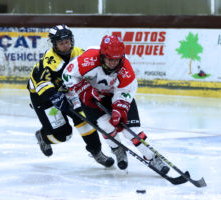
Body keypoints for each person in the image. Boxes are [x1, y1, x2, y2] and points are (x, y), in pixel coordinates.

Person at [62, 35, 170, 175]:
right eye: (110, 59)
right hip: (92, 98)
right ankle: (118, 149)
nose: (113, 63)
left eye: (117, 59)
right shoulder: (87, 59)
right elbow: (67, 75)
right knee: (106, 126)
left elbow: (127, 90)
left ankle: (153, 157)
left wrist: (120, 109)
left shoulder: (126, 69)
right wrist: (83, 89)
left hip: (116, 95)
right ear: (102, 55)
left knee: (131, 130)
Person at [27, 25, 114, 168]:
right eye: (61, 43)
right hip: (42, 96)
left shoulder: (79, 53)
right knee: (63, 135)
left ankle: (96, 152)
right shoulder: (49, 62)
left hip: (66, 91)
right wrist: (54, 96)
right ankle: (43, 136)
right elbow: (40, 83)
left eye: (67, 41)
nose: (66, 45)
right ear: (54, 44)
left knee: (82, 117)